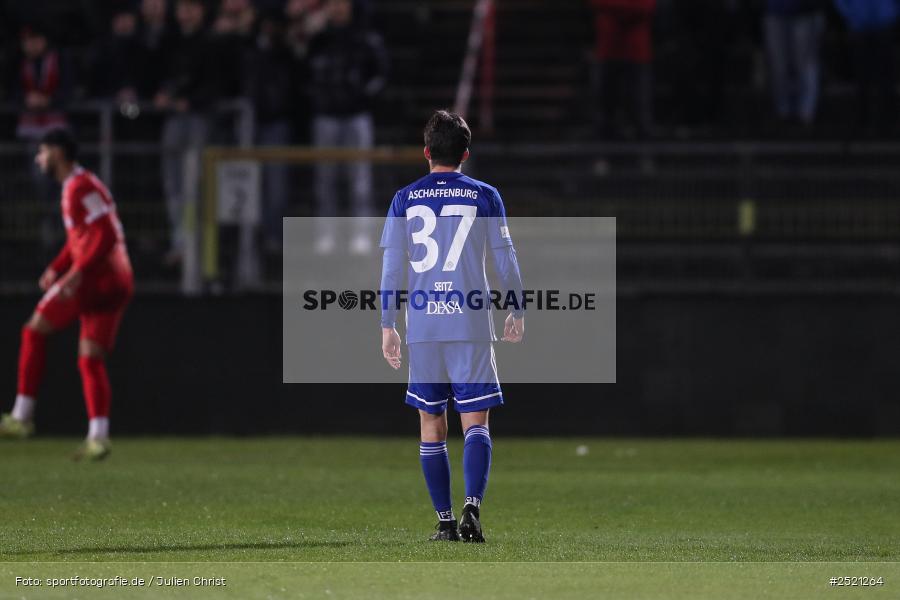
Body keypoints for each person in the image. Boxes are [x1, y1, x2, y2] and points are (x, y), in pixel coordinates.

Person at [379, 111, 525, 542]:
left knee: (431, 424)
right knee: (475, 422)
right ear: (465, 154)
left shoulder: (404, 199)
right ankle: (471, 509)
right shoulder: (485, 196)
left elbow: (391, 269)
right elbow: (505, 259)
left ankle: (444, 522)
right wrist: (517, 308)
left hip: (424, 326)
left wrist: (387, 323)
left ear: (426, 152)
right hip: (470, 322)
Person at [0, 129, 134, 461]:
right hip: (118, 279)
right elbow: (83, 239)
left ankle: (21, 416)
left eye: (42, 152)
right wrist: (57, 266)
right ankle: (98, 437)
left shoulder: (79, 186)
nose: (38, 159)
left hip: (95, 278)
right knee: (90, 358)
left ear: (58, 152)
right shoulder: (82, 185)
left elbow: (104, 235)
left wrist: (75, 273)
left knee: (33, 331)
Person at [308, 0, 388, 254]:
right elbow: (304, 69)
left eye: (341, 3)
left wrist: (362, 96)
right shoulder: (318, 37)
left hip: (357, 115)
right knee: (325, 178)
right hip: (325, 115)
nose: (337, 8)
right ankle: (326, 234)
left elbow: (380, 73)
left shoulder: (365, 36)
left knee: (359, 178)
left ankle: (360, 234)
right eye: (332, 3)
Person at [155, 0, 219, 263]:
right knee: (174, 183)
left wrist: (191, 101)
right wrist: (162, 94)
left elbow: (216, 83)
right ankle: (180, 240)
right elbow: (158, 75)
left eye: (192, 7)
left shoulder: (211, 42)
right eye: (183, 7)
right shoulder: (169, 41)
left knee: (195, 184)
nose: (186, 13)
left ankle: (195, 242)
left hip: (198, 119)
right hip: (173, 120)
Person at [588, 0, 656, 138]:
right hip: (609, 48)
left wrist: (613, 9)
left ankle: (641, 129)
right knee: (605, 97)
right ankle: (607, 129)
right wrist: (627, 8)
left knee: (638, 97)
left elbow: (644, 8)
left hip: (635, 50)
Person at [834, 0, 899, 133]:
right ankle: (863, 118)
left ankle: (886, 118)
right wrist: (851, 14)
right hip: (859, 22)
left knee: (885, 75)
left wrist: (892, 13)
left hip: (884, 21)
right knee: (862, 75)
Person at [762, 0, 825, 127]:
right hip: (774, 11)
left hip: (805, 13)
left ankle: (806, 112)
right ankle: (783, 111)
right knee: (779, 66)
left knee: (805, 64)